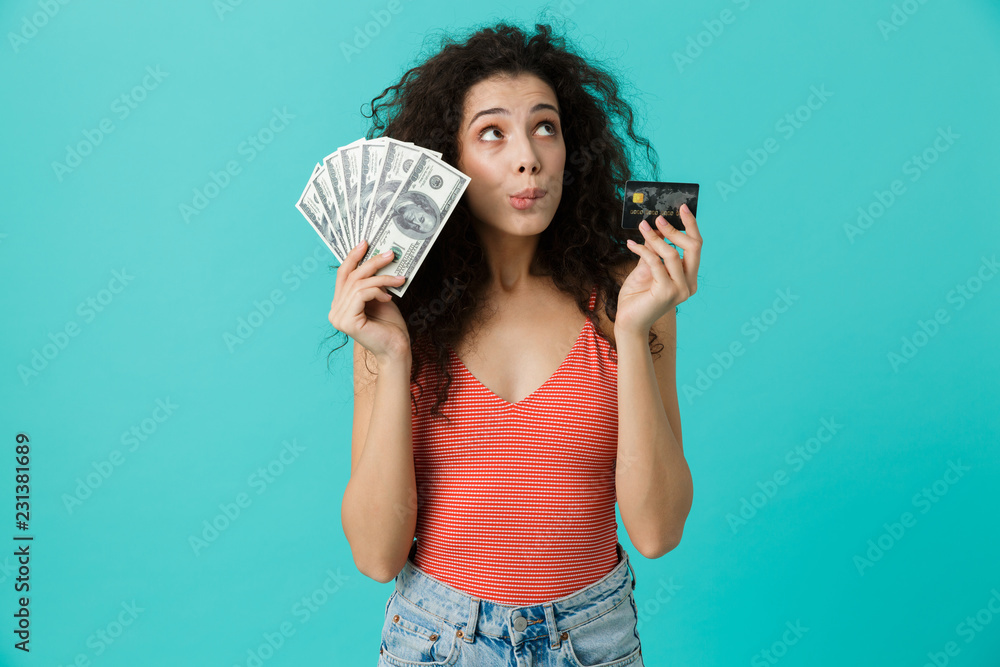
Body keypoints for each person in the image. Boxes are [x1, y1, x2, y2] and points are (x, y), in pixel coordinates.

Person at [328, 20, 702, 667]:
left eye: (545, 127)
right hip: (434, 640)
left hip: (592, 638)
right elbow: (375, 554)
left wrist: (637, 333)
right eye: (492, 132)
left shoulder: (630, 297)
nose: (527, 155)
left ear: (570, 149)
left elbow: (657, 529)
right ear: (449, 161)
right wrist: (390, 360)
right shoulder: (400, 312)